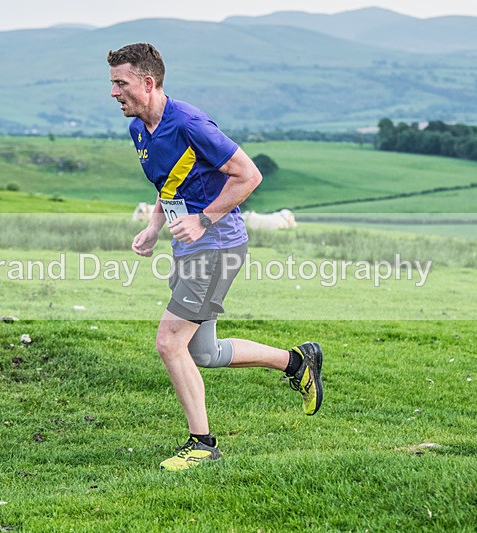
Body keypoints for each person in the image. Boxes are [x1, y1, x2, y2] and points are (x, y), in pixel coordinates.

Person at [107, 43, 323, 471]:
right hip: (189, 247)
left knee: (169, 342)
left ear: (147, 83)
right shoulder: (139, 129)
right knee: (201, 352)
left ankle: (203, 443)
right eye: (113, 82)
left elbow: (249, 175)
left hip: (217, 245)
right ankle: (297, 362)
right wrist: (154, 227)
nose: (114, 92)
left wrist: (203, 220)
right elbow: (170, 183)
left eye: (121, 83)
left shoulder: (189, 123)